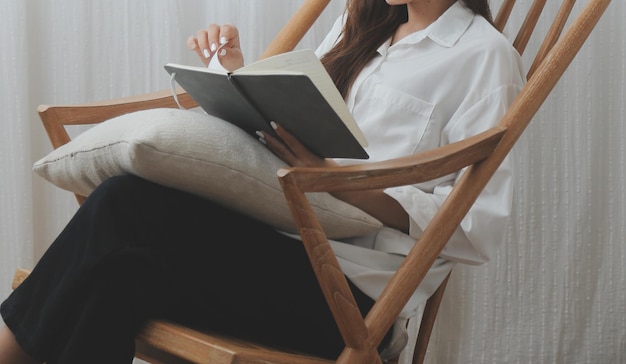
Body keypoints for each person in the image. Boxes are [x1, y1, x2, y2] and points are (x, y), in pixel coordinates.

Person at [0, 0, 525, 363]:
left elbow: (476, 228)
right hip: (272, 247)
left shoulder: (484, 58)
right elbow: (296, 116)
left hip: (352, 299)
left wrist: (336, 181)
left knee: (124, 206)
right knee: (114, 278)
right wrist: (236, 77)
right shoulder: (358, 27)